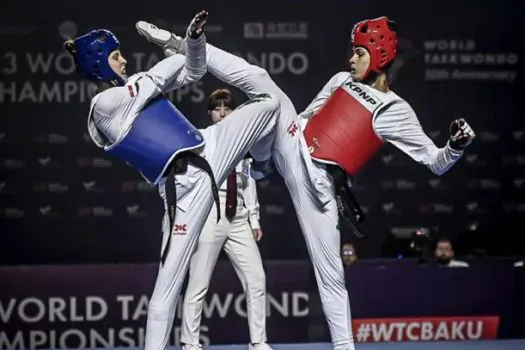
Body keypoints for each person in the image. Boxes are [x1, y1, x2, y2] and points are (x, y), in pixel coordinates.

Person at [136, 16, 475, 350]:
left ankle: (345, 348)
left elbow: (436, 162)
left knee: (331, 278)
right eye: (353, 51)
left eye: (359, 52)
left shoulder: (394, 109)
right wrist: (272, 141)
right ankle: (187, 47)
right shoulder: (342, 79)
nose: (351, 58)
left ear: (381, 54)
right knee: (263, 82)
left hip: (321, 191)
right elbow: (307, 116)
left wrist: (455, 147)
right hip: (294, 147)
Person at [65, 11, 280, 350]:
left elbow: (194, 70)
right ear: (97, 65)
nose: (123, 60)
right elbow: (157, 77)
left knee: (270, 102)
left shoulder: (133, 88)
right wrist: (173, 47)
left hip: (210, 149)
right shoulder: (103, 106)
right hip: (182, 191)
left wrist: (194, 42)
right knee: (167, 286)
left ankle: (262, 166)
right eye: (116, 56)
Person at [179, 89, 271, 350]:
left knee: (257, 278)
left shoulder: (244, 142)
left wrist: (254, 219)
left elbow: (249, 181)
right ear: (209, 113)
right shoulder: (202, 139)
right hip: (210, 213)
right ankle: (190, 343)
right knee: (198, 281)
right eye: (217, 108)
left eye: (227, 108)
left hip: (239, 217)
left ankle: (258, 342)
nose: (222, 112)